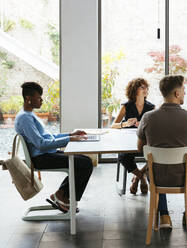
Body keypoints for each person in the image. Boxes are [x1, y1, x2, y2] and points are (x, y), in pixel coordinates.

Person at [137, 75, 187, 229]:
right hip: (185, 176)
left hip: (157, 177)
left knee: (156, 169)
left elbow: (141, 147)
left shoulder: (148, 117)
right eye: (184, 90)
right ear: (176, 94)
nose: (185, 93)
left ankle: (164, 216)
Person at [14, 82, 93, 213]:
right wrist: (69, 140)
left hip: (46, 154)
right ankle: (62, 196)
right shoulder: (25, 118)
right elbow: (41, 144)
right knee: (84, 163)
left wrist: (70, 134)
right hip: (41, 158)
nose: (41, 100)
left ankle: (61, 196)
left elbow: (48, 137)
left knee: (84, 161)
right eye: (39, 97)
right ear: (28, 98)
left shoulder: (29, 115)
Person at [111, 78, 155, 195]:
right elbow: (113, 126)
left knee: (156, 155)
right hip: (128, 142)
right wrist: (125, 124)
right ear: (135, 90)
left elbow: (156, 126)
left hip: (145, 142)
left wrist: (144, 124)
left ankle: (137, 178)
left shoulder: (151, 107)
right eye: (142, 87)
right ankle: (141, 177)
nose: (146, 90)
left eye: (146, 87)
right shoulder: (126, 106)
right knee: (123, 156)